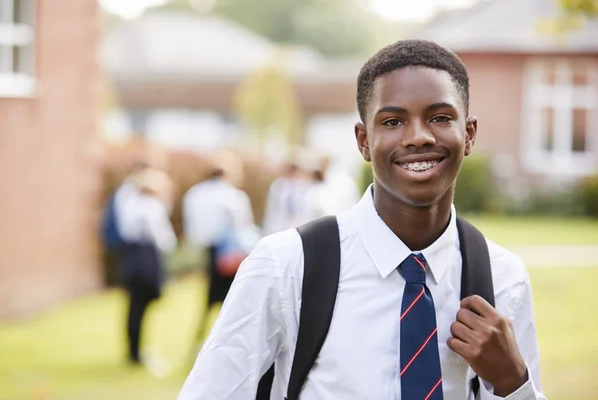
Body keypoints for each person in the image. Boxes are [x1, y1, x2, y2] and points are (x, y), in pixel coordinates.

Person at [178, 40, 546, 399]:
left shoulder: (502, 278)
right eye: (392, 121)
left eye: (439, 117)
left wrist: (515, 383)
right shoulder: (285, 266)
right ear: (363, 140)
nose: (418, 136)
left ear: (468, 134)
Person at [182, 154, 260, 344]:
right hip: (228, 255)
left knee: (209, 300)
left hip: (207, 251)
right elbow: (243, 227)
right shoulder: (233, 196)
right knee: (233, 300)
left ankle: (202, 339)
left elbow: (192, 227)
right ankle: (230, 340)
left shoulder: (195, 193)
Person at [117, 167, 177, 365]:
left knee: (134, 306)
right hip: (147, 261)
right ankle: (137, 351)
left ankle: (133, 349)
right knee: (141, 305)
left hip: (131, 259)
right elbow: (164, 239)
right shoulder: (152, 206)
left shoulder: (130, 204)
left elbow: (126, 232)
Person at [262, 160, 309, 235]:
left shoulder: (301, 187)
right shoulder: (278, 185)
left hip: (296, 226)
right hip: (278, 225)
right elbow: (272, 207)